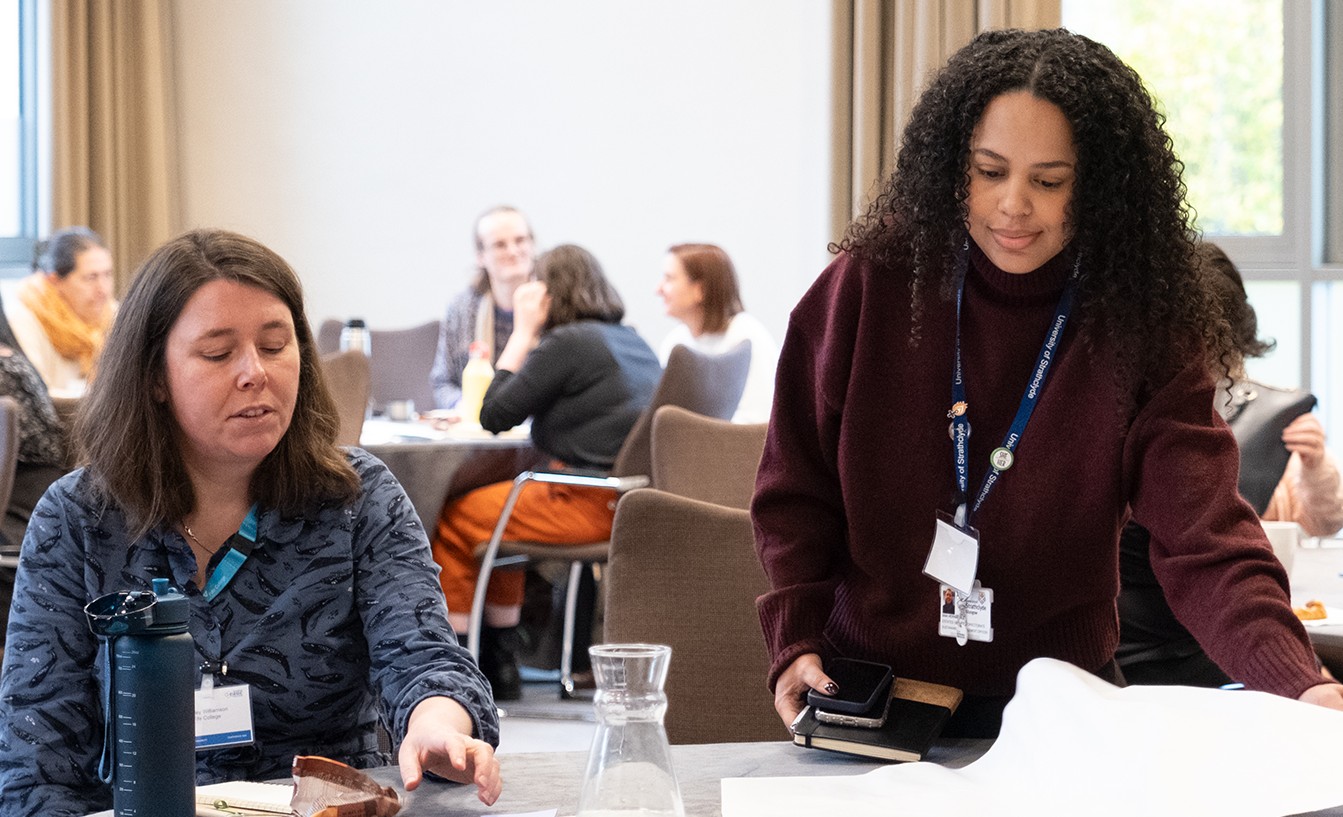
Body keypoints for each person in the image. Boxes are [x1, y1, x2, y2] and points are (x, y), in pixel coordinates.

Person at [752, 27, 1343, 739]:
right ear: (951, 165)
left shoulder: (1138, 319)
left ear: (1096, 187)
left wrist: (1298, 682)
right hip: (873, 693)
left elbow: (1205, 538)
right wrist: (795, 637)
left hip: (1062, 711)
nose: (1012, 206)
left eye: (1047, 181)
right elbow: (794, 487)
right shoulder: (872, 284)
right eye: (988, 171)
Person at [0, 229, 501, 815]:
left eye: (275, 344)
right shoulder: (80, 517)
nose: (254, 373)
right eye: (217, 353)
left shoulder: (356, 497)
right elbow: (38, 752)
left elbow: (421, 654)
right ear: (155, 377)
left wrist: (436, 723)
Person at [430, 244, 661, 699]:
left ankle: (460, 665)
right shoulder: (629, 340)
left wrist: (522, 332)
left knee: (456, 517)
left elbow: (494, 414)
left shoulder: (569, 342)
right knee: (494, 520)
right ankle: (503, 665)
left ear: (547, 293)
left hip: (583, 499)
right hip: (627, 502)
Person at [1117, 243, 1343, 687]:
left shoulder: (1265, 417)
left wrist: (1315, 466)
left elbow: (1319, 521)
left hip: (1224, 634)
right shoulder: (1121, 415)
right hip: (1130, 655)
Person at [655, 243, 778, 423]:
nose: (658, 289)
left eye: (669, 279)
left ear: (700, 289)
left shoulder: (747, 335)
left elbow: (758, 419)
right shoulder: (675, 340)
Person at [431, 206, 535, 409]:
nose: (513, 251)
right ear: (480, 257)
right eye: (499, 245)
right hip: (477, 424)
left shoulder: (555, 304)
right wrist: (465, 407)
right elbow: (442, 382)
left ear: (533, 245)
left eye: (520, 240)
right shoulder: (461, 309)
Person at [5, 226, 117, 396]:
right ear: (55, 281)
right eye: (91, 278)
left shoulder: (114, 313)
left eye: (107, 275)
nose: (103, 290)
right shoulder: (25, 318)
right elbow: (36, 395)